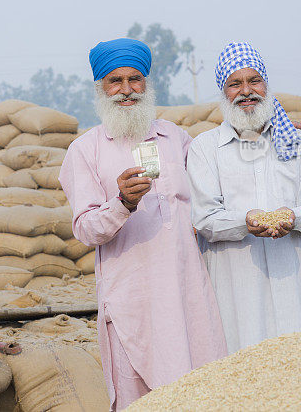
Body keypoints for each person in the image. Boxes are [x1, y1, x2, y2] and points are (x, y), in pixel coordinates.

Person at [58, 38, 227, 411]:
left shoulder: (175, 138)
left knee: (200, 389)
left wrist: (274, 130)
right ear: (100, 88)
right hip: (131, 298)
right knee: (140, 397)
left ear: (147, 84)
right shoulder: (86, 150)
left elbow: (221, 170)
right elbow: (85, 229)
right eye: (114, 81)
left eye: (135, 79)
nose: (126, 90)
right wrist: (122, 203)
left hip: (187, 295)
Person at [187, 41, 301, 355]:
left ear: (266, 85)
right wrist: (245, 221)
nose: (246, 91)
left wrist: (293, 216)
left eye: (254, 80)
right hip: (239, 287)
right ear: (223, 92)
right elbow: (204, 217)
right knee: (244, 369)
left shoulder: (298, 142)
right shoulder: (205, 148)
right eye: (235, 83)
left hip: (297, 282)